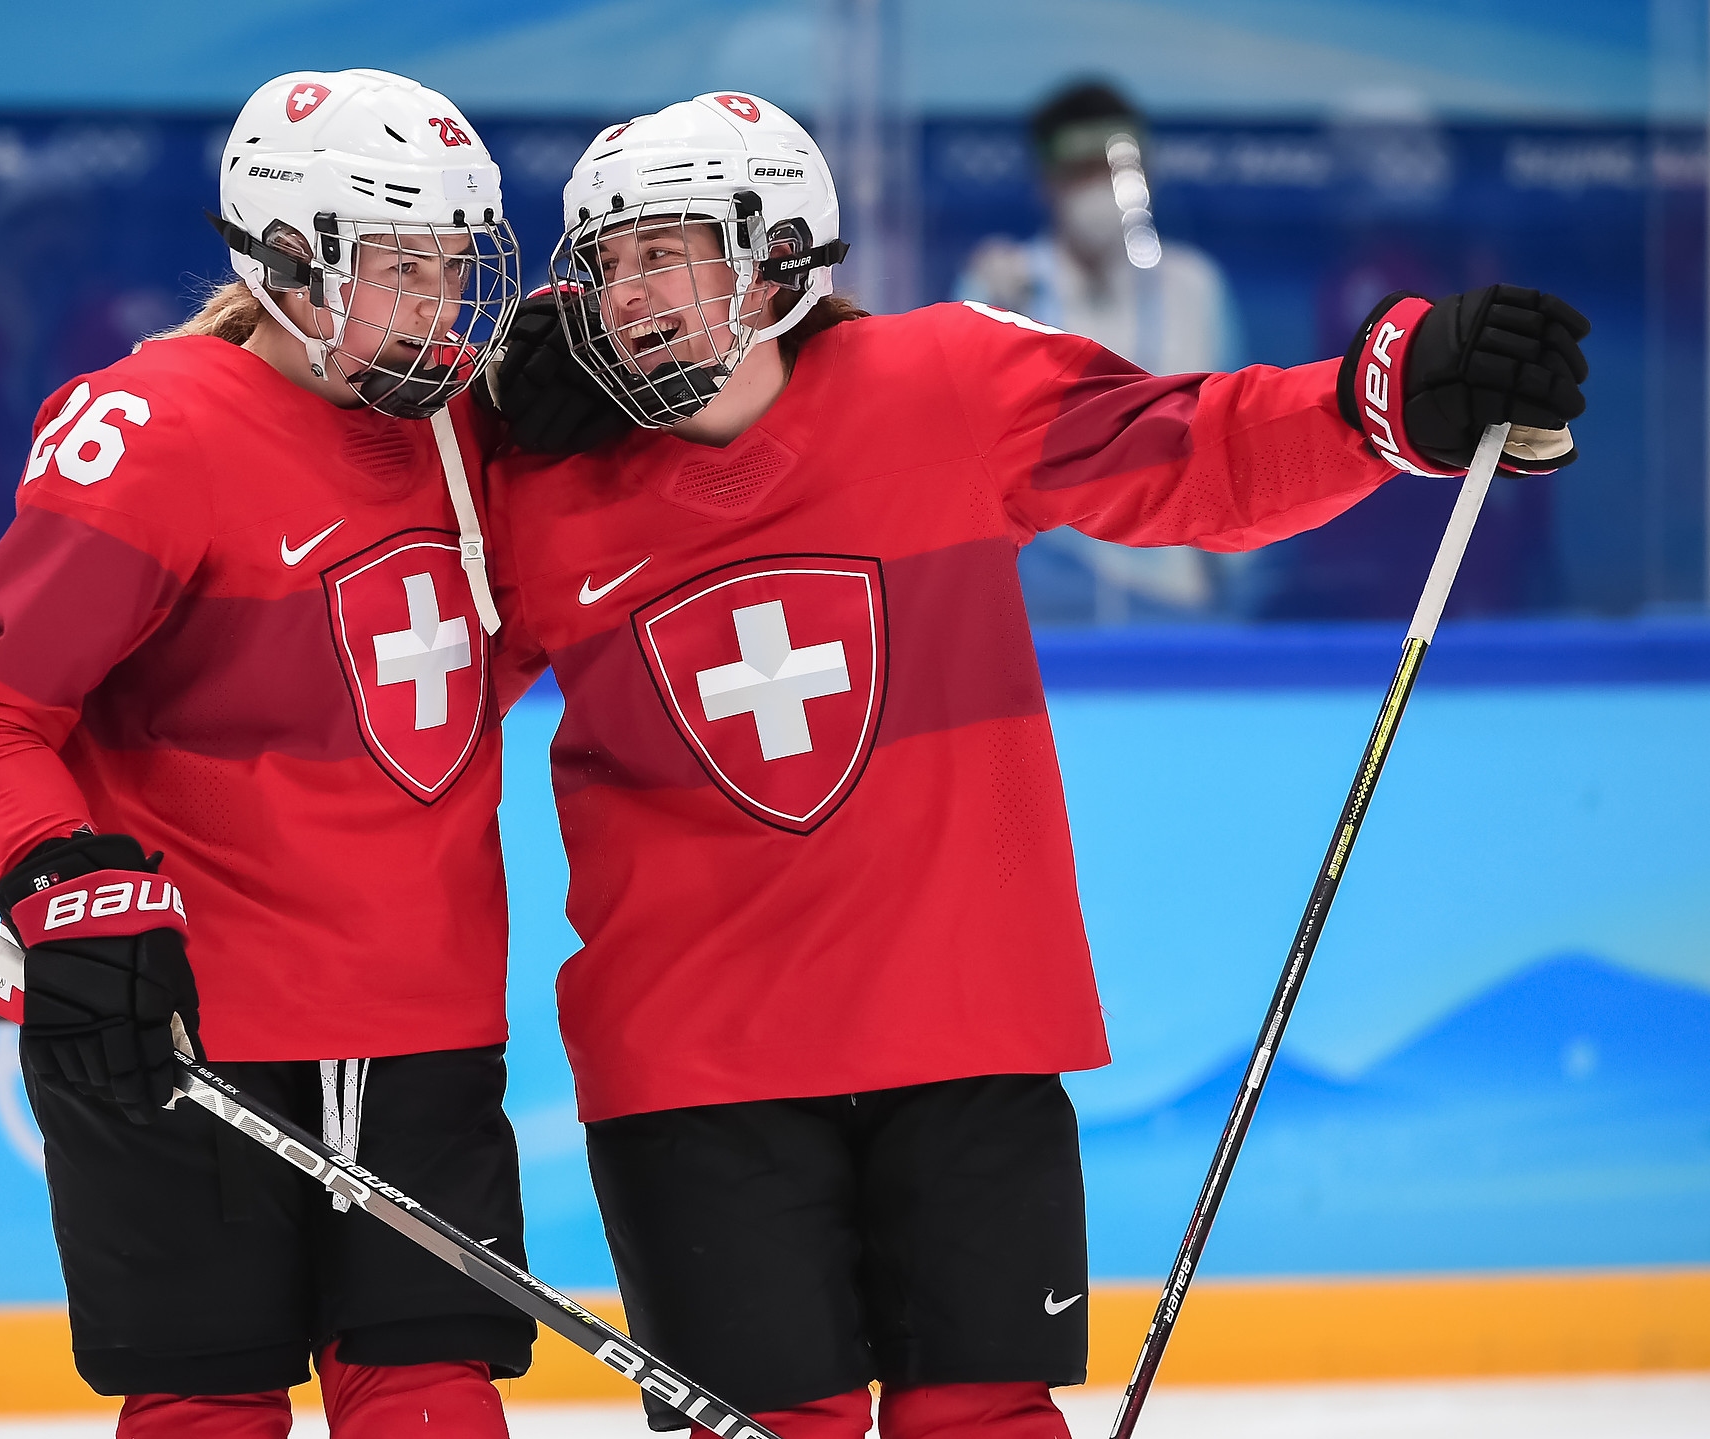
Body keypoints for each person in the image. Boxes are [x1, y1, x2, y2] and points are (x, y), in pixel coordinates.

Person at [479, 91, 1588, 1439]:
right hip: (693, 1063)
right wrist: (469, 428)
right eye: (606, 262)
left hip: (962, 1027)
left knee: (982, 1419)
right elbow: (384, 672)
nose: (627, 293)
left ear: (775, 256)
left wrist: (1387, 397)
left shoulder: (945, 383)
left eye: (665, 253)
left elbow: (1192, 448)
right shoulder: (538, 485)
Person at [0, 70, 532, 1439]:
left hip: (421, 1016)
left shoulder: (471, 425)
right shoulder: (157, 432)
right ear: (289, 259)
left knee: (430, 1394)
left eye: (453, 264)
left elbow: (479, 663)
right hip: (188, 1014)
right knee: (208, 1402)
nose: (440, 304)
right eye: (401, 268)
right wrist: (63, 882)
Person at [955, 80, 1248, 622]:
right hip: (1043, 597)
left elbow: (1238, 439)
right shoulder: (1001, 285)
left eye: (1117, 170)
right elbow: (966, 463)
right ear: (1046, 182)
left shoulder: (1194, 286)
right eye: (1081, 172)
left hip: (1174, 594)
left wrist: (1234, 590)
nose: (1101, 189)